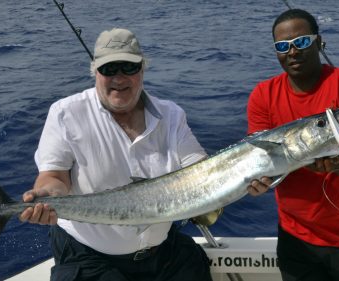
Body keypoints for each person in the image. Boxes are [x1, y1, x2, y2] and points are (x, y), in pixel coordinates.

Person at [18, 28, 212, 281]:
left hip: (164, 252)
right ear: (95, 72)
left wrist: (244, 176)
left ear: (142, 69)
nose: (118, 78)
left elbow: (200, 169)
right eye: (109, 69)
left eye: (128, 68)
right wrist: (44, 196)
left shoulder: (172, 114)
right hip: (90, 255)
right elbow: (54, 176)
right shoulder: (66, 113)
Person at [246, 9, 339, 281]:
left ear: (319, 42)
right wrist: (260, 182)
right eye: (283, 46)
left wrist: (333, 165)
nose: (293, 52)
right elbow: (263, 164)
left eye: (301, 42)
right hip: (295, 239)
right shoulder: (262, 96)